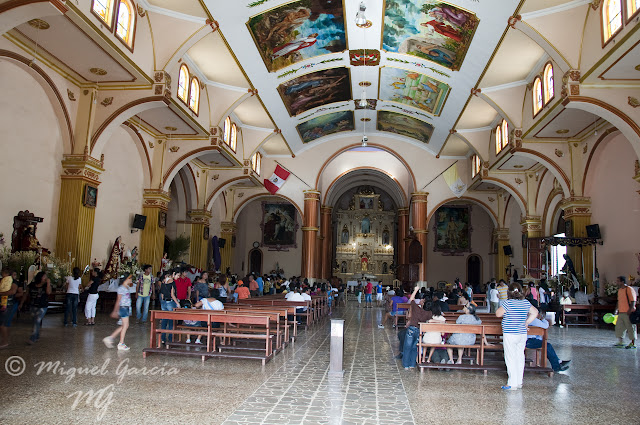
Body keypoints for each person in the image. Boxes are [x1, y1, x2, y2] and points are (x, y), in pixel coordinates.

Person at [495, 282, 538, 390]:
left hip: (510, 333)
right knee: (520, 356)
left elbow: (498, 314)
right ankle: (519, 381)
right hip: (522, 333)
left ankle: (512, 383)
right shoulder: (525, 303)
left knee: (510, 357)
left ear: (509, 292)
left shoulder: (507, 303)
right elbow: (535, 312)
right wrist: (527, 322)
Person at [400, 286, 433, 369]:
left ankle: (406, 365)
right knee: (415, 348)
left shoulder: (416, 309)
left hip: (411, 329)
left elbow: (411, 300)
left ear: (423, 303)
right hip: (420, 331)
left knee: (407, 347)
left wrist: (415, 290)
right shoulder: (429, 313)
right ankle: (412, 364)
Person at [103, 273, 133, 351]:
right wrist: (115, 311)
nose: (131, 280)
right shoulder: (121, 288)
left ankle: (110, 338)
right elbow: (118, 300)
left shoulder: (126, 287)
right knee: (125, 326)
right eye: (130, 278)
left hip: (126, 308)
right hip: (123, 308)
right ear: (125, 279)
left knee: (124, 325)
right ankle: (121, 343)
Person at [20, 271, 50, 345]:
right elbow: (26, 294)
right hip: (33, 305)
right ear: (40, 277)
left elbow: (48, 292)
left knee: (37, 320)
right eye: (44, 276)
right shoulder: (32, 285)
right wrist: (21, 303)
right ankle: (37, 335)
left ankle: (32, 338)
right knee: (35, 321)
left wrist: (48, 283)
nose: (45, 278)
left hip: (43, 306)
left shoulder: (46, 285)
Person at [613, 276, 637, 349]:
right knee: (619, 327)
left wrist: (630, 310)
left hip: (628, 312)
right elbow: (619, 301)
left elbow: (633, 300)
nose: (616, 282)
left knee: (630, 327)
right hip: (621, 312)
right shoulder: (620, 290)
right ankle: (621, 341)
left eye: (618, 281)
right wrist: (616, 309)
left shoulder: (629, 289)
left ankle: (633, 343)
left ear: (622, 282)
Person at [158, 272, 180, 345]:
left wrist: (163, 302)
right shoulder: (172, 282)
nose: (178, 277)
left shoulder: (163, 281)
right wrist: (177, 303)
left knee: (164, 320)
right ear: (173, 274)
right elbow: (172, 295)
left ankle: (163, 339)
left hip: (164, 302)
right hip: (170, 302)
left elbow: (161, 294)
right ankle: (171, 339)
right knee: (171, 321)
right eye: (178, 275)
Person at [0, 269, 18, 348]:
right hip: (2, 304)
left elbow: (12, 292)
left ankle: (5, 341)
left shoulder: (13, 282)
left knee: (3, 324)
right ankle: (4, 340)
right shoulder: (2, 280)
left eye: (3, 273)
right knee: (3, 324)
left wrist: (1, 293)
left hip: (8, 304)